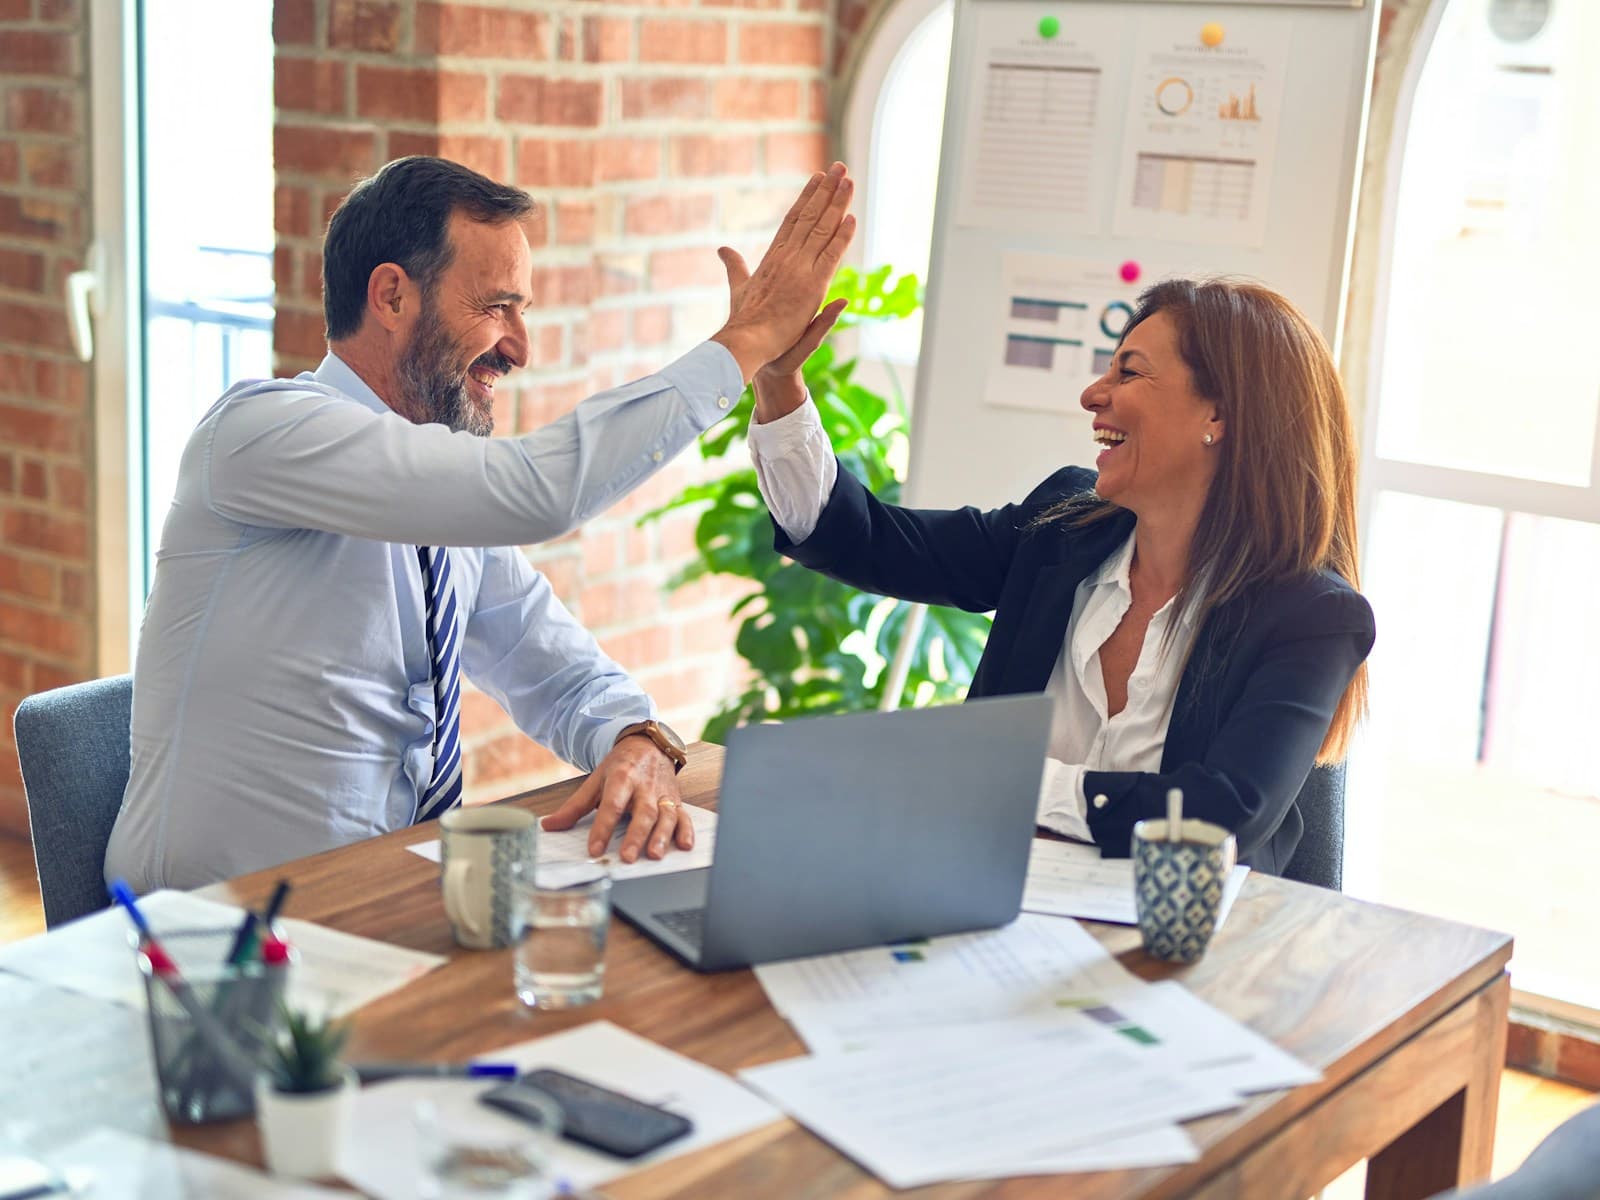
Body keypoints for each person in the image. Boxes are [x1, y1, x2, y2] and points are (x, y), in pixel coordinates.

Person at [105, 155, 856, 891]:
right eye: (497, 306)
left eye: (522, 310)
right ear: (392, 298)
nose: (520, 348)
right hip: (211, 939)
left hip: (383, 907)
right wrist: (747, 342)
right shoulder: (261, 433)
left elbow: (555, 667)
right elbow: (538, 492)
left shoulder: (441, 503)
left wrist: (637, 739)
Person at [745, 277, 1374, 874]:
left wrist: (1005, 780)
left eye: (1128, 371)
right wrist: (779, 382)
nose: (1093, 395)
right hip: (988, 902)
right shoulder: (1062, 529)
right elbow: (865, 540)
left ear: (1219, 415)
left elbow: (1219, 817)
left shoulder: (1312, 615)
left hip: (1183, 952)